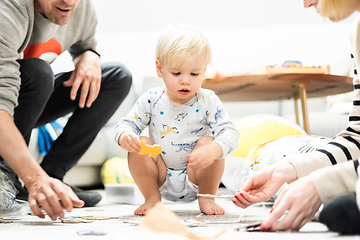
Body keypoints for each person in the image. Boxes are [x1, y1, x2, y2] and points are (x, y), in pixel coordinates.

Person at [232, 0, 360, 234]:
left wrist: (321, 186)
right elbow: (357, 138)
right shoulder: (357, 33)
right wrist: (288, 169)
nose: (306, 3)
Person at [0, 0, 132, 221]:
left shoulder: (80, 7)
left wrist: (90, 55)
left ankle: (53, 177)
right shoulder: (9, 9)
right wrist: (34, 178)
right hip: (6, 105)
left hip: (27, 104)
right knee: (39, 74)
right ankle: (5, 176)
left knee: (117, 77)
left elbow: (86, 44)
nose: (69, 1)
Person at [115, 23, 239, 216]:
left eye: (194, 74)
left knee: (210, 142)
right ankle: (152, 199)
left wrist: (214, 150)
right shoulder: (151, 99)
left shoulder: (208, 100)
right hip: (160, 175)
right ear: (159, 69)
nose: (185, 80)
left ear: (204, 71)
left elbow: (230, 133)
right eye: (177, 73)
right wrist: (125, 135)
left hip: (196, 175)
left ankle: (207, 197)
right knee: (141, 143)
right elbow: (126, 124)